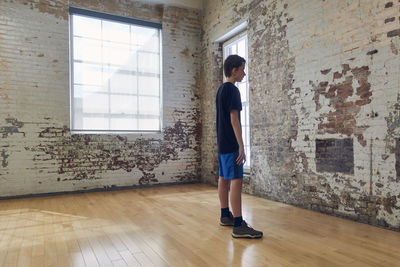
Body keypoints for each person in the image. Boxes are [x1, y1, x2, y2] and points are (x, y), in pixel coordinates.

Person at [216, 54, 263, 239]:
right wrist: (242, 146)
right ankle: (238, 225)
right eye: (243, 69)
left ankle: (224, 215)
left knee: (223, 178)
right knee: (236, 180)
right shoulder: (233, 91)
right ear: (234, 70)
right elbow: (234, 119)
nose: (244, 73)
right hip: (231, 143)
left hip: (222, 143)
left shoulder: (221, 90)